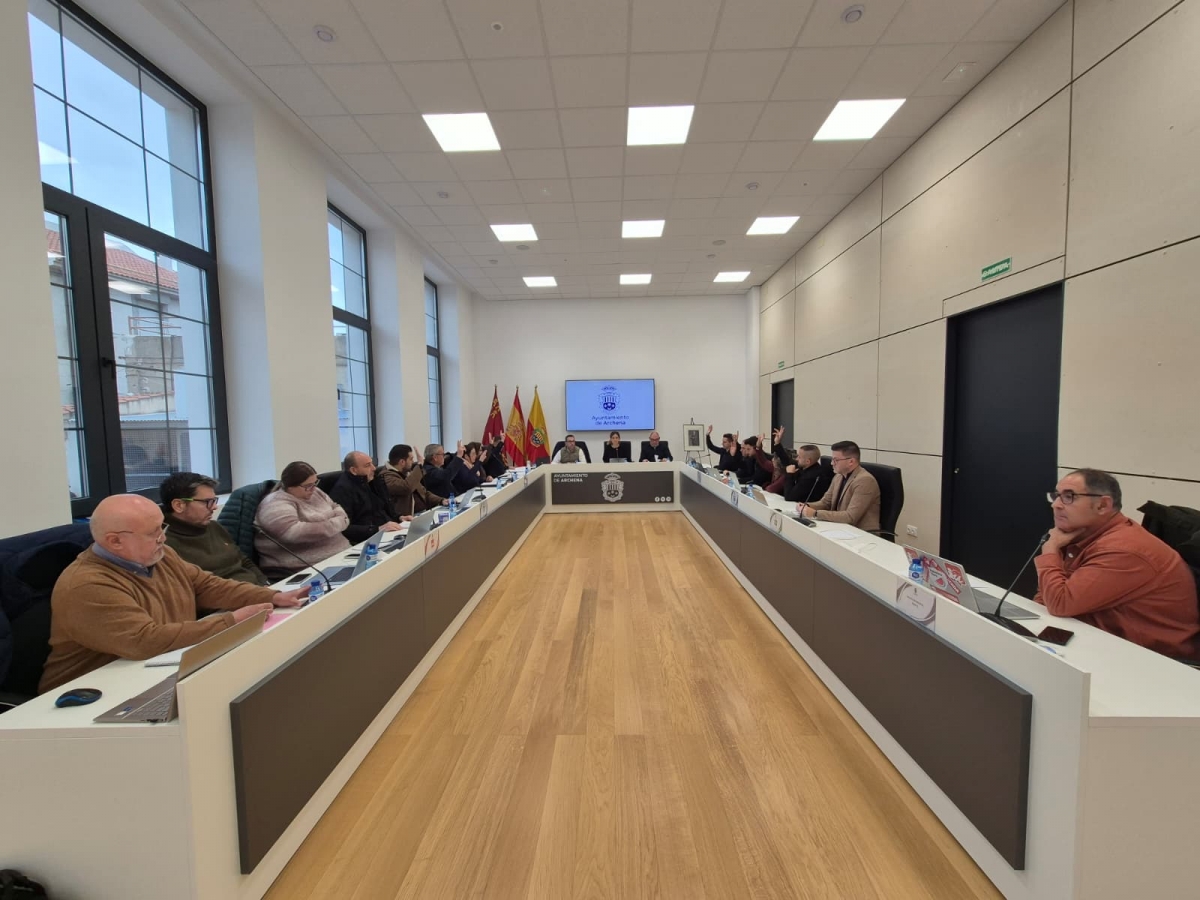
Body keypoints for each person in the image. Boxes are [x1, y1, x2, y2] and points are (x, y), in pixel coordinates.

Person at [39, 494, 307, 693]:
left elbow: (207, 586)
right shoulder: (88, 584)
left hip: (160, 670)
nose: (163, 538)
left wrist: (271, 596)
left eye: (162, 528)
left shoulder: (161, 555)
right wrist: (231, 622)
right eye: (153, 532)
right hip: (94, 691)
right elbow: (144, 640)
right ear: (115, 541)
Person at [1034, 469, 1199, 659]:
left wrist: (1050, 549)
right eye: (1056, 496)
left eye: (1069, 496)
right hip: (1103, 642)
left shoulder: (1124, 549)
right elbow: (1047, 595)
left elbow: (1060, 603)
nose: (1056, 504)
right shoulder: (1083, 535)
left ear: (1103, 505)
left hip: (1153, 660)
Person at [160, 472, 266, 586]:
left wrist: (265, 583)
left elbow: (242, 559)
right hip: (230, 594)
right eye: (207, 502)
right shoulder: (164, 543)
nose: (214, 507)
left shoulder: (214, 527)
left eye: (214, 500)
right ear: (179, 505)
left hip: (257, 589)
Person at [254, 461, 351, 578]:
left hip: (341, 555)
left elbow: (336, 507)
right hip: (307, 567)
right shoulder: (275, 504)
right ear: (290, 486)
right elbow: (292, 533)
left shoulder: (316, 492)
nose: (313, 488)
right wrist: (336, 523)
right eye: (308, 486)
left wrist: (334, 523)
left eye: (315, 483)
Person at [798, 440, 880, 532]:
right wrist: (807, 506)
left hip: (861, 532)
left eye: (836, 460)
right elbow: (825, 503)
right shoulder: (838, 476)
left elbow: (850, 517)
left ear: (851, 461)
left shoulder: (865, 480)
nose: (832, 463)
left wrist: (815, 513)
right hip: (840, 527)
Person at [328, 451, 406, 544]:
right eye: (368, 465)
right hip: (365, 541)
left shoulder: (373, 481)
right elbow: (344, 527)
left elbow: (385, 507)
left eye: (372, 463)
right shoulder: (342, 490)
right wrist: (377, 529)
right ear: (353, 470)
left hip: (387, 533)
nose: (374, 468)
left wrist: (399, 517)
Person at [379, 444, 446, 515]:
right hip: (408, 517)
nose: (413, 461)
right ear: (402, 462)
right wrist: (419, 466)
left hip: (424, 512)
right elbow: (406, 487)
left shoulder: (407, 473)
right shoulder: (386, 476)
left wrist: (441, 500)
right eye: (411, 459)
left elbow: (424, 493)